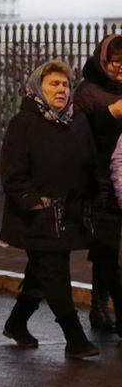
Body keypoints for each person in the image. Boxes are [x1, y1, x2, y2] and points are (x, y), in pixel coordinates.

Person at [0, 61, 99, 359]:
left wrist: (93, 195)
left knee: (41, 272)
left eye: (66, 84)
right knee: (54, 272)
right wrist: (30, 199)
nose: (61, 90)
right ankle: (75, 338)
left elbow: (90, 162)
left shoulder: (76, 120)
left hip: (69, 214)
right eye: (54, 84)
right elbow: (12, 171)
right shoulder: (24, 122)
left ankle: (17, 323)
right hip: (37, 214)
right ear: (38, 89)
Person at [72, 35, 122, 332]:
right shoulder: (87, 91)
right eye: (116, 62)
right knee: (106, 246)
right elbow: (76, 131)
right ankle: (99, 304)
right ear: (104, 61)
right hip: (100, 179)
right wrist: (109, 114)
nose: (120, 68)